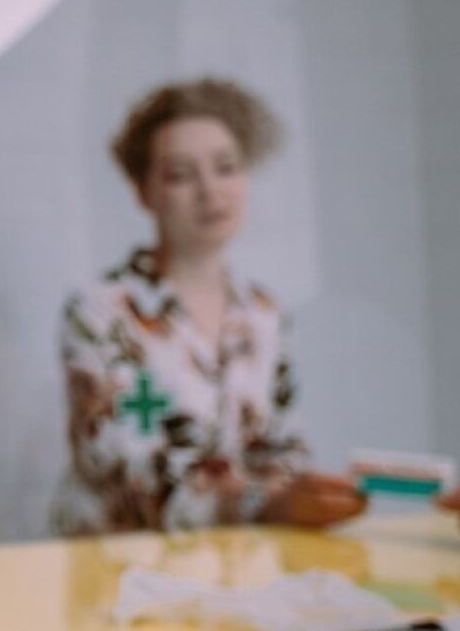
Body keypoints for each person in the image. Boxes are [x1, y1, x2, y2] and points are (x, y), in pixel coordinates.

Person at [51, 78, 367, 535]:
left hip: (239, 563)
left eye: (226, 167)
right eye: (181, 174)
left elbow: (284, 446)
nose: (210, 191)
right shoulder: (100, 311)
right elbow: (121, 470)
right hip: (116, 564)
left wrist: (310, 494)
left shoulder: (264, 313)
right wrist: (259, 502)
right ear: (144, 191)